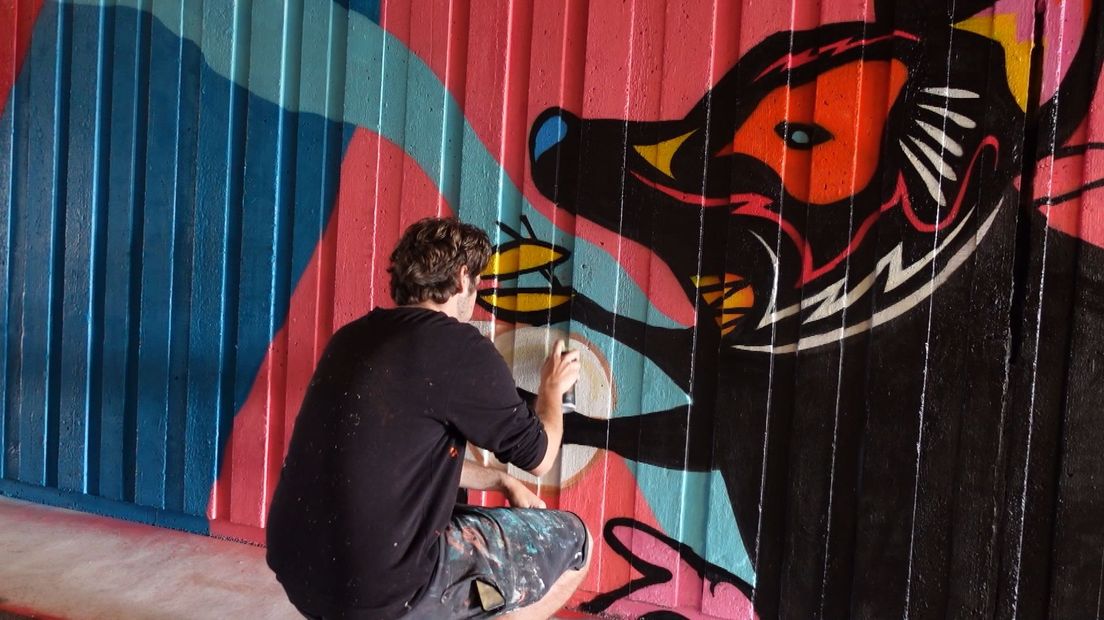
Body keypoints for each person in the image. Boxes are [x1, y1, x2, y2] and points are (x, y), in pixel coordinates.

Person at [266, 217, 590, 619]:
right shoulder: (458, 347)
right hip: (380, 593)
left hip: (300, 572)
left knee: (450, 516)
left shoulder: (351, 338)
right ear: (461, 276)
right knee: (577, 542)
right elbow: (540, 457)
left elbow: (397, 460)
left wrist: (501, 480)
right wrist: (552, 392)